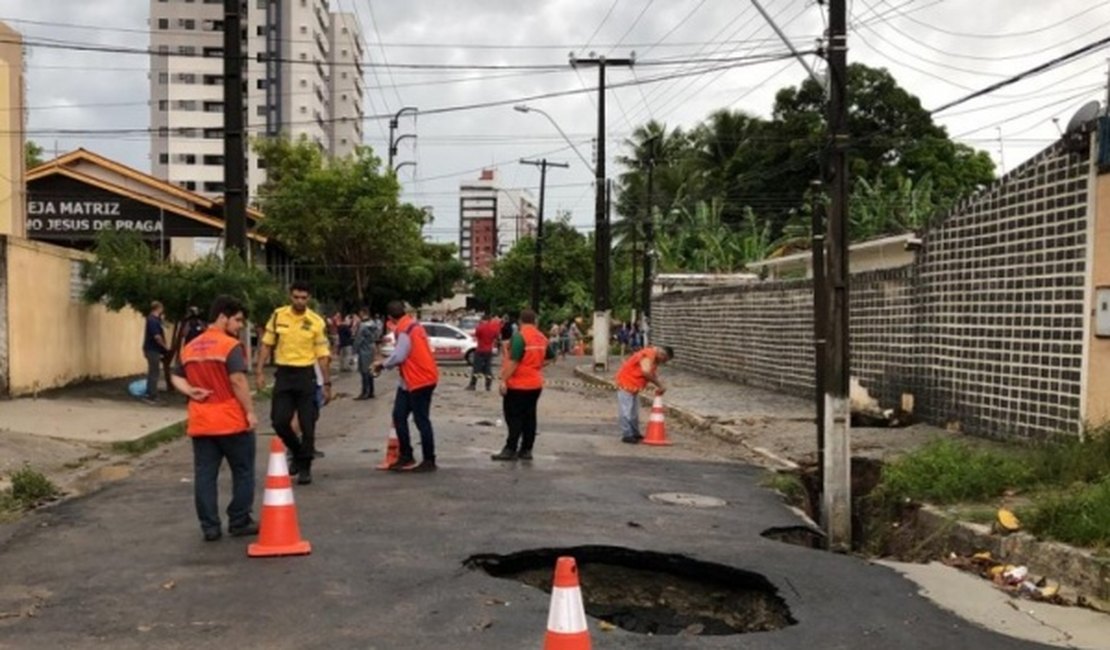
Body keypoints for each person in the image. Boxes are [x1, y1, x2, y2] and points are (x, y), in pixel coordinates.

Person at [170, 295, 258, 542]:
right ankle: (239, 520)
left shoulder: (191, 346)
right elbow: (237, 381)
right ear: (223, 317)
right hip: (231, 421)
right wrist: (250, 411)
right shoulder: (229, 346)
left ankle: (210, 527)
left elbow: (176, 376)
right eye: (238, 320)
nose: (240, 326)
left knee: (205, 475)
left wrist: (190, 391)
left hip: (202, 422)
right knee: (243, 471)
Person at [255, 281, 331, 485]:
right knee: (279, 421)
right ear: (291, 296)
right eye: (296, 297)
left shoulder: (316, 321)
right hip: (284, 374)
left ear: (309, 299)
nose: (299, 301)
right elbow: (267, 344)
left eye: (303, 298)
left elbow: (323, 355)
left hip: (306, 375)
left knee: (307, 425)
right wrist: (259, 371)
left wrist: (326, 384)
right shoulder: (279, 315)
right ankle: (298, 453)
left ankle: (305, 468)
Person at [372, 301, 439, 472]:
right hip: (412, 381)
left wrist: (381, 364)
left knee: (421, 420)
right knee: (399, 416)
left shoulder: (405, 330)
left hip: (419, 381)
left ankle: (429, 460)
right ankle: (406, 456)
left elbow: (399, 356)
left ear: (389, 318)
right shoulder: (413, 325)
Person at [491, 309, 555, 461]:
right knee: (530, 417)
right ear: (535, 321)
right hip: (535, 384)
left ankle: (510, 449)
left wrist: (503, 380)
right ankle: (526, 449)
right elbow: (551, 357)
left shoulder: (520, 337)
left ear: (520, 321)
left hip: (518, 385)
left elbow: (514, 361)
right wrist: (536, 366)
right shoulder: (541, 338)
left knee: (514, 417)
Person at [614, 345, 674, 444]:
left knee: (634, 412)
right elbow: (646, 372)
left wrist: (658, 385)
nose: (664, 362)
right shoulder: (649, 354)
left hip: (634, 386)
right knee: (626, 411)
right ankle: (627, 434)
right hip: (626, 383)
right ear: (662, 354)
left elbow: (651, 372)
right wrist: (659, 385)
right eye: (664, 360)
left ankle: (634, 433)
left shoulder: (654, 358)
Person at [142, 300, 171, 405]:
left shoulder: (155, 320)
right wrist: (165, 347)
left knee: (153, 372)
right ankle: (151, 395)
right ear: (159, 308)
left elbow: (164, 326)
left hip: (152, 349)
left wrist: (162, 320)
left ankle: (150, 394)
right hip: (152, 349)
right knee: (154, 373)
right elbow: (157, 336)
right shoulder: (152, 320)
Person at [353, 307, 381, 400]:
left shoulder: (362, 326)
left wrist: (354, 351)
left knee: (364, 372)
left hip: (363, 350)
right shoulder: (374, 324)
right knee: (370, 371)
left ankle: (365, 392)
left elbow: (358, 339)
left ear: (363, 313)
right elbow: (377, 335)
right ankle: (371, 391)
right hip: (371, 348)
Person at [467, 313, 500, 391]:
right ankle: (488, 385)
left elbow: (477, 335)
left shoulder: (480, 327)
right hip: (489, 350)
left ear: (483, 320)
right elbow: (497, 337)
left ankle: (472, 385)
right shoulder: (494, 328)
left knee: (476, 368)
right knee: (488, 368)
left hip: (480, 350)